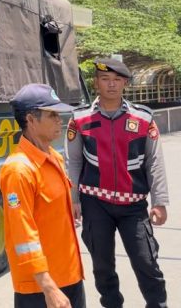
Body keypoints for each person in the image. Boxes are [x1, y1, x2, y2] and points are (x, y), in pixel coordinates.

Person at [67, 59, 169, 308]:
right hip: (94, 204)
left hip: (133, 205)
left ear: (124, 82)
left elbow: (154, 162)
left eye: (117, 79)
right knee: (102, 266)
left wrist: (160, 201)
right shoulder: (79, 119)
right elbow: (73, 162)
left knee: (146, 262)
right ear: (96, 83)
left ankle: (158, 304)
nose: (111, 84)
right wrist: (73, 199)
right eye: (105, 79)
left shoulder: (143, 117)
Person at [0, 83, 85, 308]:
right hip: (41, 288)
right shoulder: (19, 170)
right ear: (31, 120)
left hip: (69, 275)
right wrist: (48, 286)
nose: (59, 120)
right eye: (52, 114)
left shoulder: (54, 157)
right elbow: (23, 234)